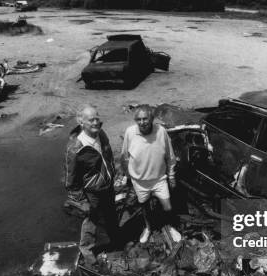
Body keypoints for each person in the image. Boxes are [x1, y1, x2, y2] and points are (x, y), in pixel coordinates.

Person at [64, 105, 117, 265]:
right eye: (91, 120)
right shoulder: (75, 148)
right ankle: (87, 250)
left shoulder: (100, 133)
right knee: (91, 221)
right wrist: (82, 201)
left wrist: (114, 172)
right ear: (81, 122)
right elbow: (70, 180)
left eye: (97, 118)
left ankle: (115, 240)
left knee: (111, 213)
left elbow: (107, 155)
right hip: (92, 191)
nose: (96, 122)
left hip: (107, 184)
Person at [121, 105, 180, 244]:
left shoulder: (161, 131)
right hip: (140, 181)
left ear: (152, 119)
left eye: (145, 119)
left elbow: (170, 156)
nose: (142, 122)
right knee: (144, 206)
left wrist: (171, 176)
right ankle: (148, 228)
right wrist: (128, 176)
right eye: (139, 119)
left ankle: (171, 227)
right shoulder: (130, 132)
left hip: (159, 179)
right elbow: (124, 157)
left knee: (168, 206)